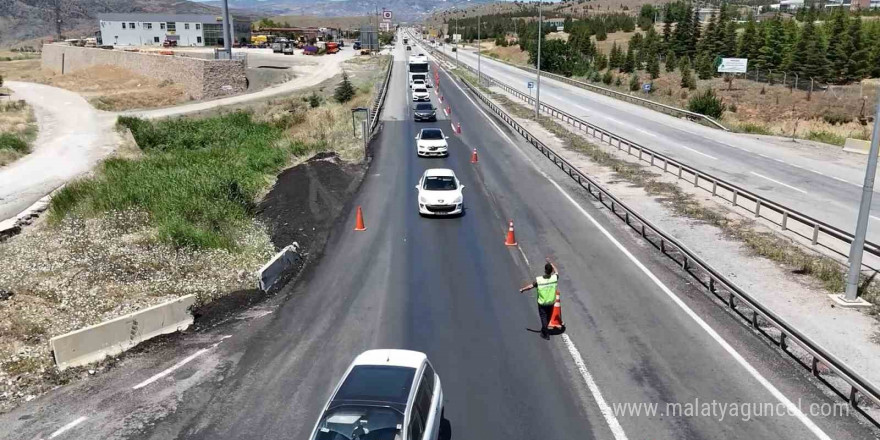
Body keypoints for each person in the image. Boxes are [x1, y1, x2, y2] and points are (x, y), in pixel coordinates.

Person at [519, 258, 559, 340]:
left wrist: (523, 289)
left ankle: (546, 333)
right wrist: (550, 263)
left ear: (544, 271)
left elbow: (530, 286)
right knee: (548, 317)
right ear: (551, 271)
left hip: (542, 302)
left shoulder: (539, 280)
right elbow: (557, 271)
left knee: (543, 317)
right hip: (551, 302)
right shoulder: (554, 278)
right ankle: (544, 330)